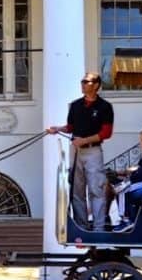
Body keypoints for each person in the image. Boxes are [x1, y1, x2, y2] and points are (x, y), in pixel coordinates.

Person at [47, 72, 114, 231]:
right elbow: (71, 127)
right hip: (76, 151)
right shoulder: (76, 105)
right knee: (76, 190)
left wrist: (84, 140)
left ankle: (98, 228)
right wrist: (57, 129)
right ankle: (82, 227)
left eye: (87, 82)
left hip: (93, 151)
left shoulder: (105, 107)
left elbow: (106, 133)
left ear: (96, 85)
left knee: (96, 189)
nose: (83, 84)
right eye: (82, 81)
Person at [110, 124, 142, 232]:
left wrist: (131, 180)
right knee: (120, 187)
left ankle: (127, 220)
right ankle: (125, 218)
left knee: (122, 189)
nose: (141, 143)